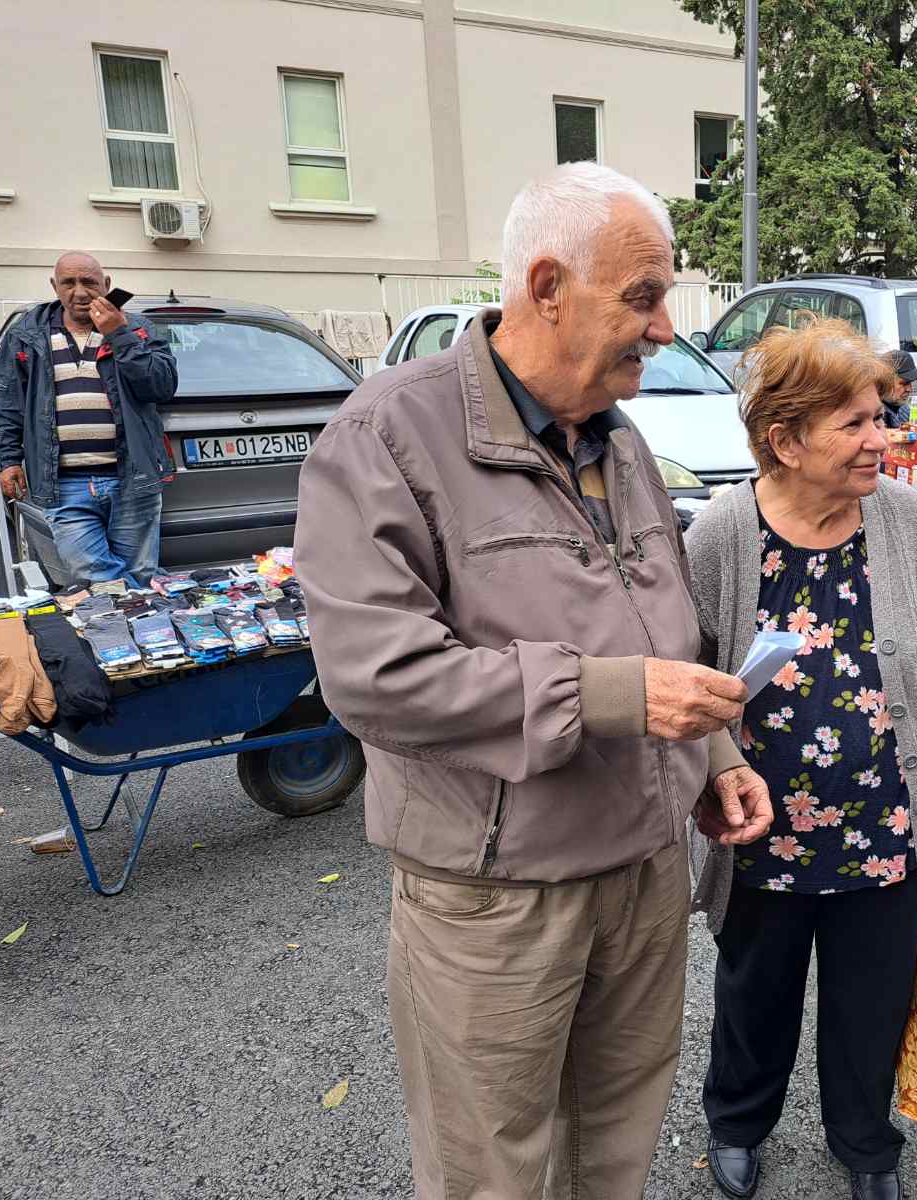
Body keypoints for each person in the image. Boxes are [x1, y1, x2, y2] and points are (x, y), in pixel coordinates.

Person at [295, 162, 773, 1200]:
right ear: (547, 286)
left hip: (644, 873)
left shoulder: (621, 437)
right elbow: (374, 676)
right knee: (491, 1170)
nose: (662, 328)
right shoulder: (385, 436)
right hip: (497, 898)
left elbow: (666, 624)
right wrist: (612, 697)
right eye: (643, 299)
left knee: (614, 1143)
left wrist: (715, 753)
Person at [687, 319, 917, 1200]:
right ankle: (738, 1124)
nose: (878, 439)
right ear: (784, 440)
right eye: (854, 423)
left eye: (878, 416)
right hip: (763, 827)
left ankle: (864, 1142)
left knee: (872, 1000)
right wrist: (712, 770)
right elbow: (693, 678)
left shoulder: (898, 518)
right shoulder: (722, 534)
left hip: (886, 818)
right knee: (756, 994)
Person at [0, 252, 177, 585]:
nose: (79, 292)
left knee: (139, 571)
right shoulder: (27, 335)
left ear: (106, 285)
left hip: (131, 477)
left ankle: (140, 625)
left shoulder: (138, 329)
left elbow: (160, 386)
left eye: (89, 282)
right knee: (91, 574)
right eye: (68, 283)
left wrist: (119, 335)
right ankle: (137, 613)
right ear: (55, 286)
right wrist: (8, 460)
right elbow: (7, 403)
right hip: (64, 484)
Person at [879, 350, 917, 428]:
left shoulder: (903, 408)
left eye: (910, 383)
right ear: (884, 383)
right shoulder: (873, 416)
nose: (910, 389)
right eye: (904, 383)